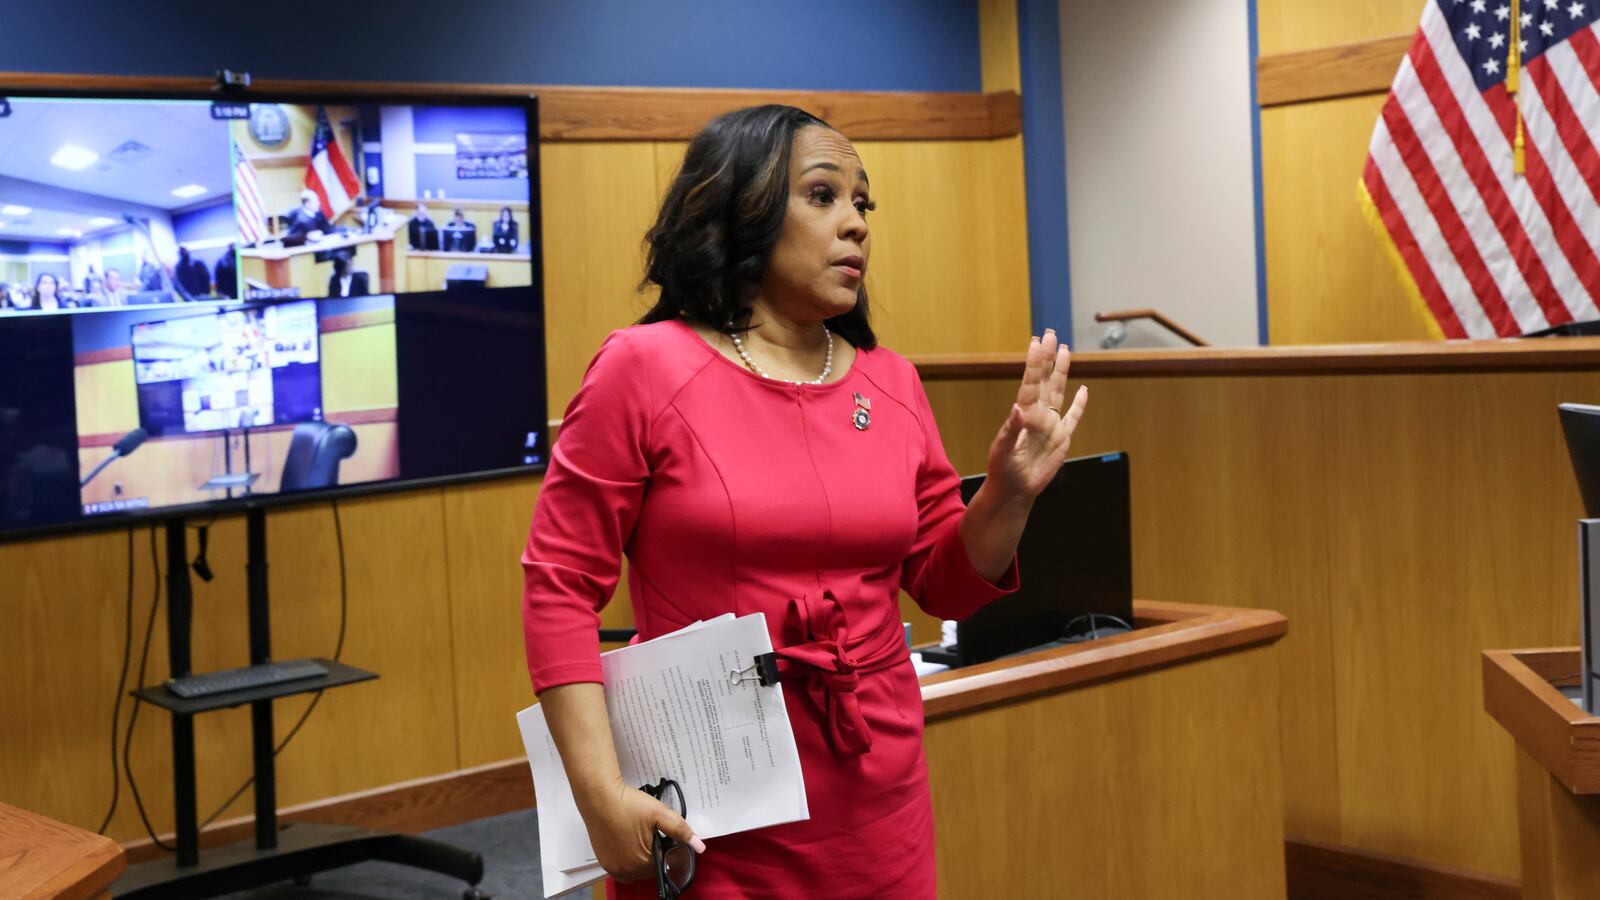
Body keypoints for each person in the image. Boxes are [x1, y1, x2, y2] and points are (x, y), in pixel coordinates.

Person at [521, 105, 1090, 898]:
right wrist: (596, 793)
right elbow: (558, 587)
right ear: (742, 210)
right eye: (823, 195)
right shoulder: (643, 368)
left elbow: (945, 585)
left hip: (878, 802)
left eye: (863, 203)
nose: (855, 224)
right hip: (712, 813)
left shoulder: (889, 382)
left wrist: (1008, 495)